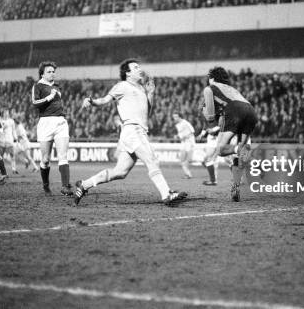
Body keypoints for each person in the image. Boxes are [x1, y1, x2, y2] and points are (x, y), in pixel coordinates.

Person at [74, 58, 187, 206]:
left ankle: (84, 185)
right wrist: (91, 101)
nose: (140, 69)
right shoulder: (122, 86)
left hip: (137, 131)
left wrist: (151, 94)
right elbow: (105, 100)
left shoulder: (141, 88)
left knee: (120, 172)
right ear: (127, 73)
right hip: (132, 130)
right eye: (135, 67)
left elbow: (147, 113)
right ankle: (167, 194)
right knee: (151, 159)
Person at [202, 66, 258, 201]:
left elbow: (210, 118)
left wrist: (204, 109)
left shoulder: (209, 88)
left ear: (212, 78)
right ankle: (236, 185)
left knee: (221, 150)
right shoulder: (232, 89)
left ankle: (239, 149)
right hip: (251, 111)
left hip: (235, 111)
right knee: (239, 156)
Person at [32, 61, 73, 196]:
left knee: (63, 156)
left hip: (60, 122)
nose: (52, 73)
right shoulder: (37, 86)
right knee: (45, 159)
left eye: (53, 71)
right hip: (45, 123)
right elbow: (35, 103)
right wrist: (49, 97)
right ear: (42, 74)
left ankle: (65, 186)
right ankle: (45, 185)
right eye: (49, 71)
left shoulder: (57, 86)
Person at [172, 112, 195, 179]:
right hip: (184, 143)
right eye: (174, 117)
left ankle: (188, 174)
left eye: (176, 117)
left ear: (180, 117)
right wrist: (177, 136)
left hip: (189, 142)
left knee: (187, 160)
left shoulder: (185, 123)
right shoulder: (177, 125)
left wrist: (183, 136)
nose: (174, 118)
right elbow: (181, 134)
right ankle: (188, 174)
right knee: (182, 160)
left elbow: (192, 131)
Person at [0, 109, 18, 174]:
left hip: (9, 140)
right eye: (5, 113)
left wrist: (15, 137)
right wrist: (3, 126)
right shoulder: (0, 120)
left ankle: (14, 169)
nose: (6, 114)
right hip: (2, 141)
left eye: (7, 113)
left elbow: (13, 130)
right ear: (3, 113)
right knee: (0, 156)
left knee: (12, 155)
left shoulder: (11, 121)